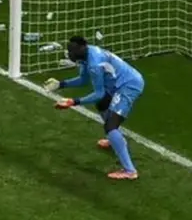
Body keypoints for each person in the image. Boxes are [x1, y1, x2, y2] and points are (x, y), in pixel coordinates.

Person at [44, 36, 145, 180]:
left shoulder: (95, 64)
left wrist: (74, 102)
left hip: (128, 85)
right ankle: (114, 139)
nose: (70, 53)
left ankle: (130, 171)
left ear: (82, 48)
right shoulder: (87, 55)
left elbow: (99, 93)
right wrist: (61, 84)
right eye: (69, 50)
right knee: (102, 104)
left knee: (110, 125)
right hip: (116, 83)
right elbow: (83, 80)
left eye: (73, 50)